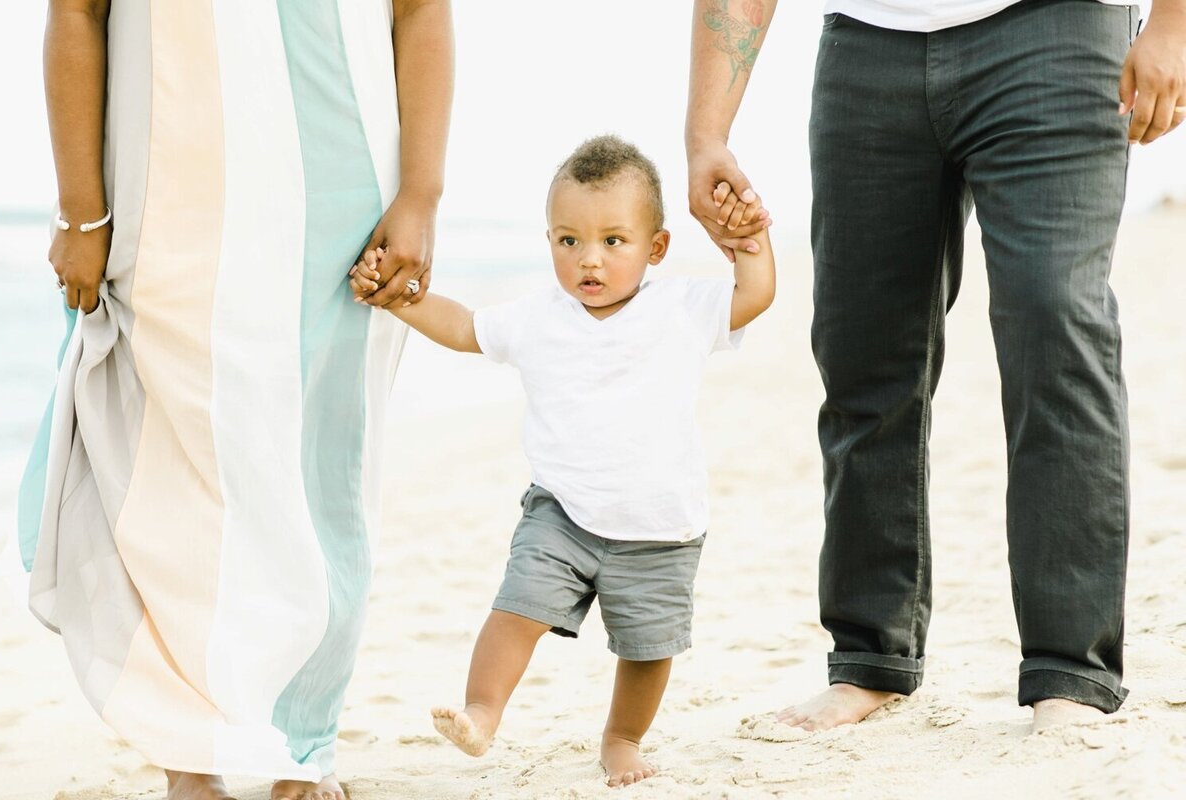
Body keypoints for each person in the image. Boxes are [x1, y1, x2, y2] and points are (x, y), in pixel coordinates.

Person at [685, 0, 1186, 733]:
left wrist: (1173, 23)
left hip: (1056, 29)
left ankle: (1069, 671)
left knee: (1054, 323)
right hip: (867, 47)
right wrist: (706, 133)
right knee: (863, 353)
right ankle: (868, 660)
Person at [21, 2, 452, 799]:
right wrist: (80, 210)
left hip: (346, 204)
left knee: (324, 475)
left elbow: (421, 11)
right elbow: (76, 12)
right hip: (166, 201)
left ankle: (302, 745)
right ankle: (194, 753)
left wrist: (421, 195)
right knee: (175, 475)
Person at [350, 135, 775, 787]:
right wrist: (400, 298)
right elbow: (465, 330)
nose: (589, 260)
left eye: (613, 240)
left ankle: (622, 739)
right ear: (549, 241)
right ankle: (482, 712)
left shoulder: (681, 309)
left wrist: (748, 240)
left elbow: (755, 295)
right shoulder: (537, 317)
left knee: (647, 648)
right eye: (568, 241)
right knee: (516, 610)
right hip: (563, 513)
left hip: (660, 528)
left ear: (655, 247)